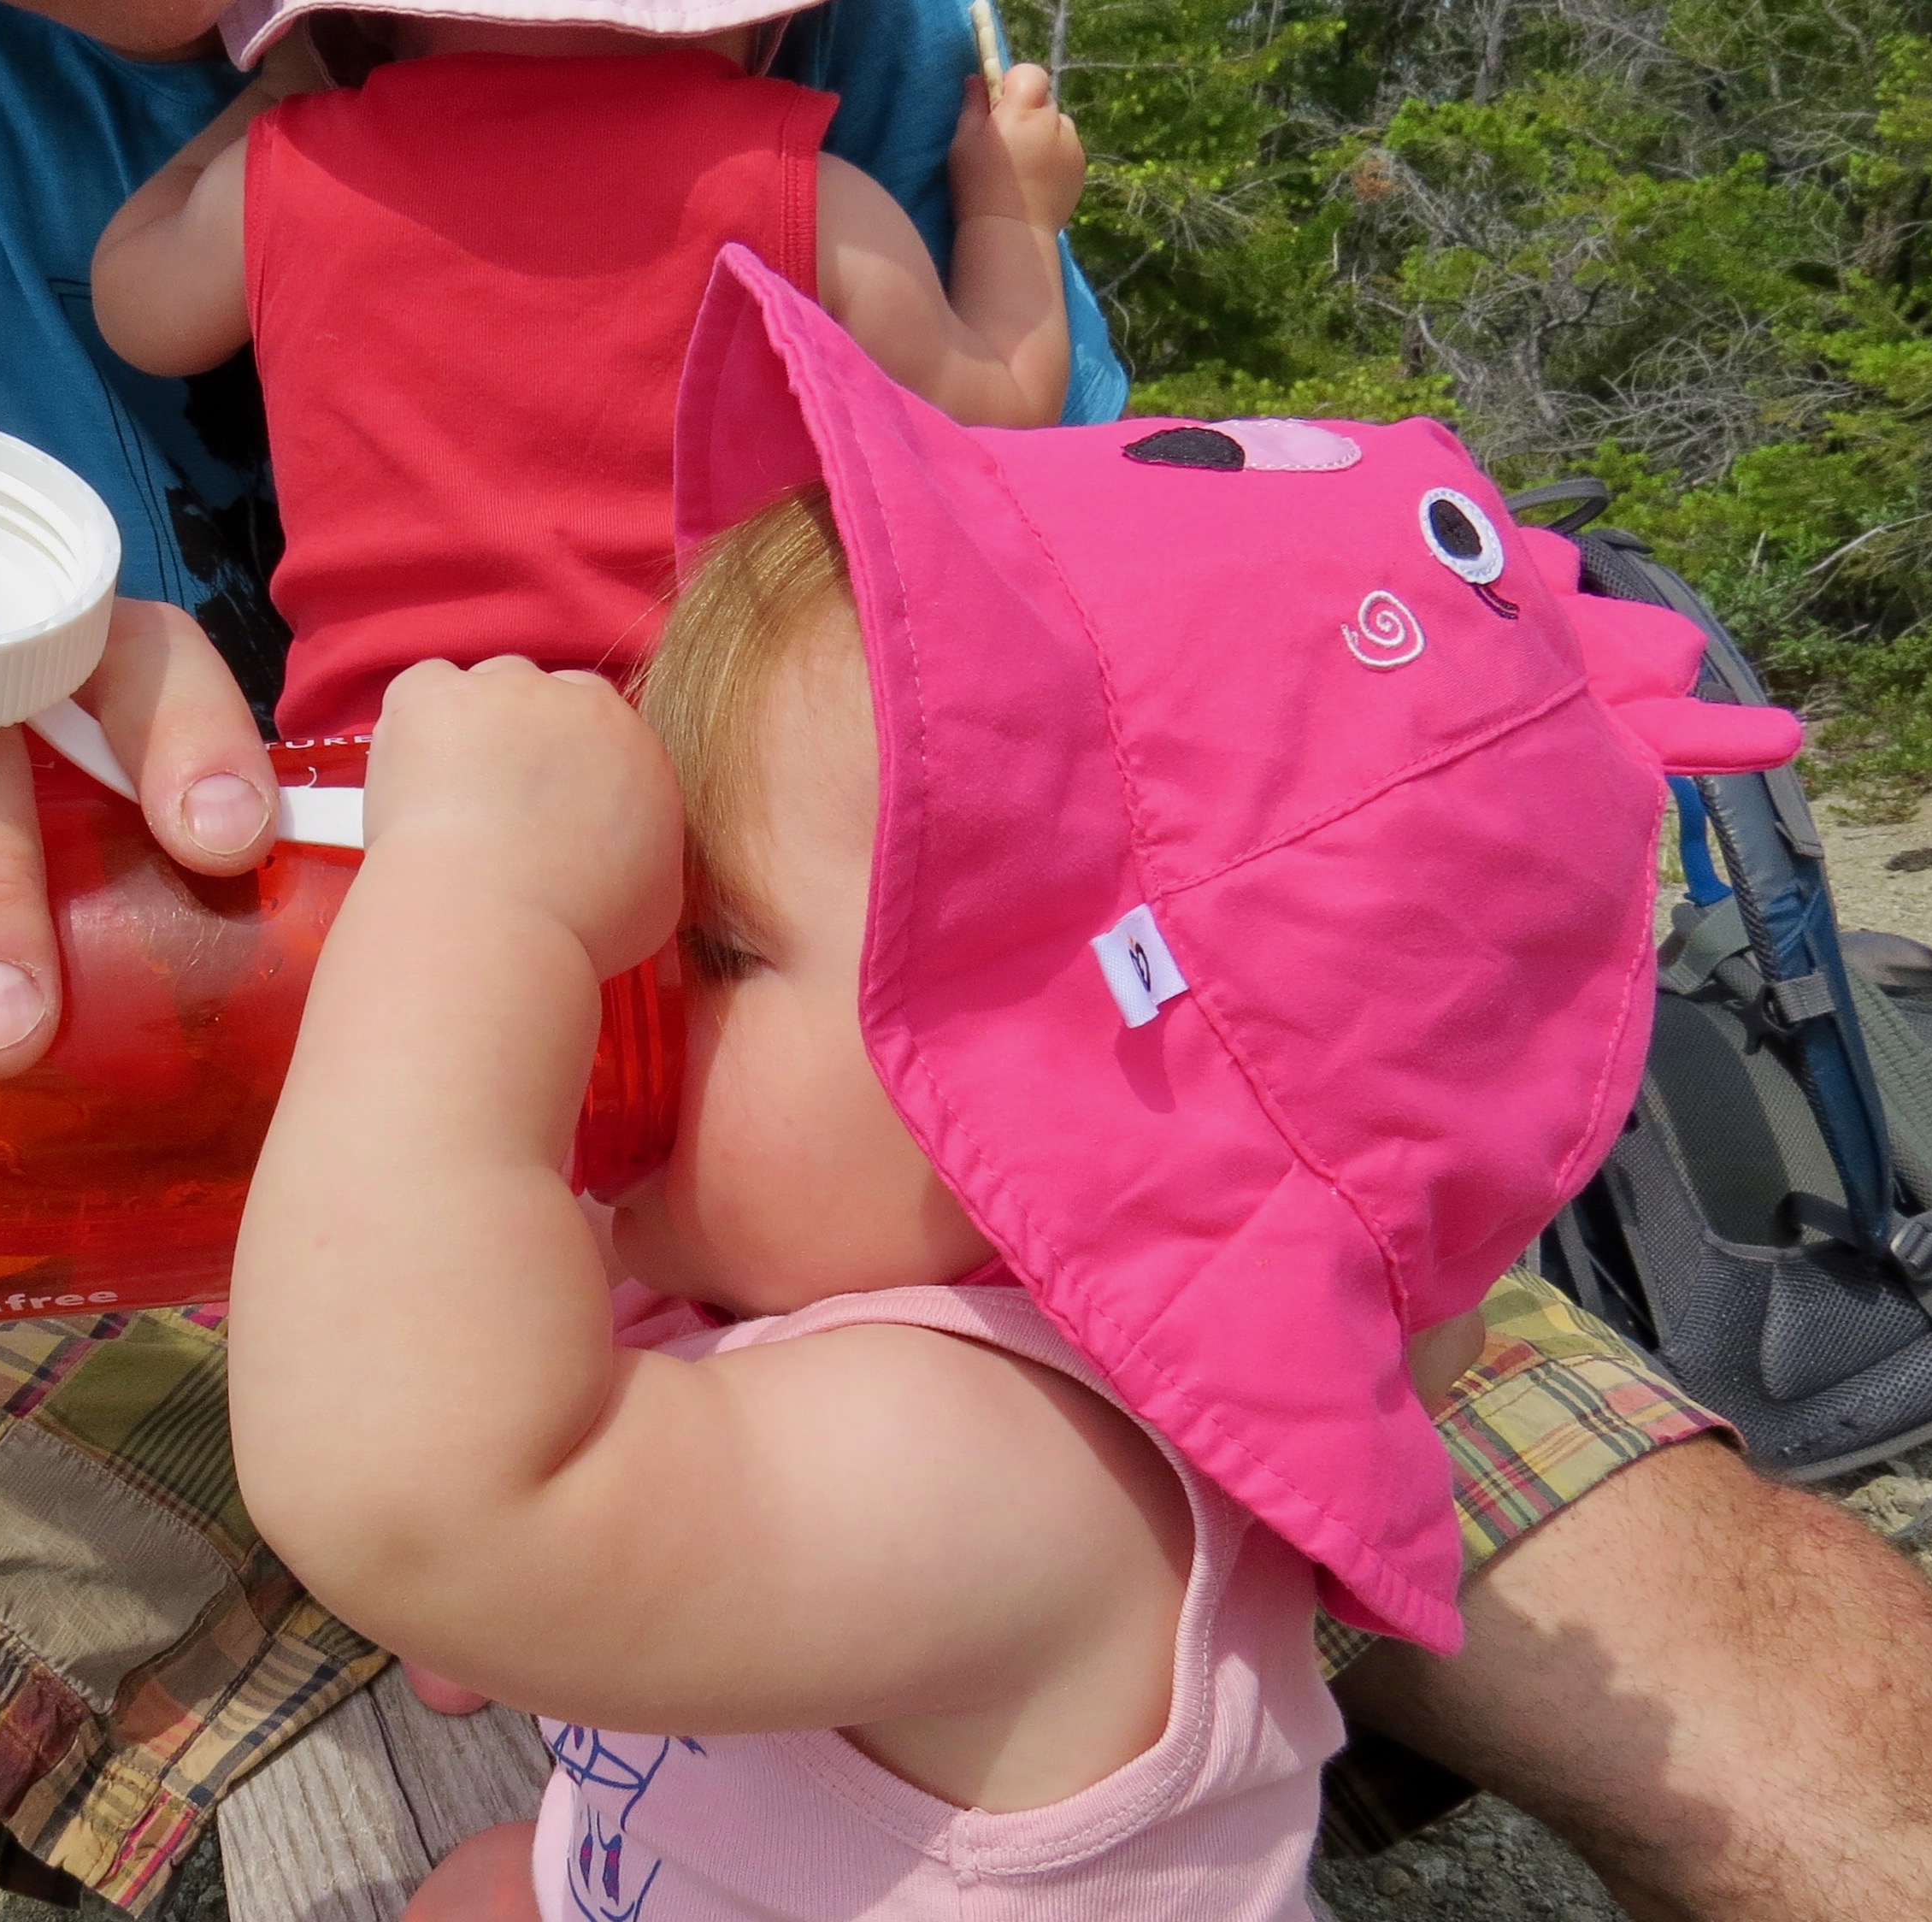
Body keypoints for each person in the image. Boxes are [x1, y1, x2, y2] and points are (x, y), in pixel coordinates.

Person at [0, 0, 1932, 1915]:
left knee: (1771, 1662)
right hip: (146, 1132)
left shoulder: (803, 39)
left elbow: (1111, 667)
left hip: (917, 1091)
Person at [226, 234, 1781, 1913]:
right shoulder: (942, 1289)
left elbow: (424, 1497)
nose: (631, 980)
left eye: (717, 944)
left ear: (1056, 1119)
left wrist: (477, 896)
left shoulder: (1012, 1468)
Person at [88, 0, 1083, 732]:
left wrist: (269, 105)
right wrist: (1011, 211)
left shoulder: (288, 177)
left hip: (384, 766)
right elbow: (994, 413)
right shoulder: (810, 202)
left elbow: (133, 303)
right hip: (713, 779)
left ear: (363, 24)